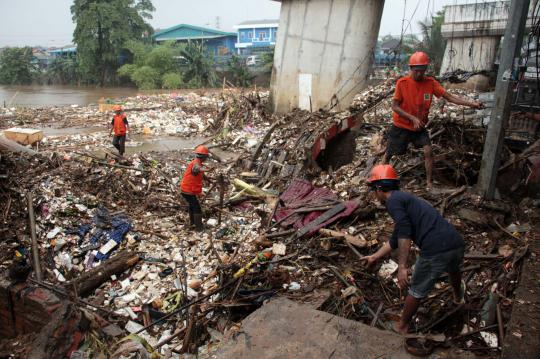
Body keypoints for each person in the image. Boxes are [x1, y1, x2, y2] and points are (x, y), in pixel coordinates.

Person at [362, 164, 466, 335]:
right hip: (455, 243)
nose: (374, 195)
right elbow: (396, 238)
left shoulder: (392, 201)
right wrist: (374, 256)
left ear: (379, 189)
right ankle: (458, 299)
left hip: (435, 249)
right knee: (454, 269)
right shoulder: (404, 199)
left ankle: (402, 326)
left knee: (416, 290)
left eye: (374, 190)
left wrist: (402, 267)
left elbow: (404, 231)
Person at [385, 51, 483, 189]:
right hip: (401, 125)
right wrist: (412, 118)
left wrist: (472, 104)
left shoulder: (430, 83)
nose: (419, 74)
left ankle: (429, 183)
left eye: (422, 71)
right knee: (390, 153)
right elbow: (394, 106)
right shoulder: (402, 83)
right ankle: (380, 175)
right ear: (411, 68)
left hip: (418, 127)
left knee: (428, 151)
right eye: (417, 71)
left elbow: (450, 97)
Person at [180, 145, 211, 232]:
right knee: (197, 208)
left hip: (186, 189)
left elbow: (200, 173)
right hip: (188, 190)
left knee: (192, 206)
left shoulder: (197, 162)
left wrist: (208, 180)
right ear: (204, 157)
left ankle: (192, 223)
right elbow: (196, 169)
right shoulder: (196, 164)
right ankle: (199, 228)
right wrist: (207, 170)